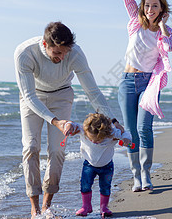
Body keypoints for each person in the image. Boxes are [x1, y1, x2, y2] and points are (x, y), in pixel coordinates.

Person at [14, 21, 116, 218]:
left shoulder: (75, 53)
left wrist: (111, 119)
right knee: (30, 147)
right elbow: (29, 96)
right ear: (45, 45)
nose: (61, 58)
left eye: (65, 53)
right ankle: (34, 208)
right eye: (57, 54)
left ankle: (47, 206)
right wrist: (55, 121)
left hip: (61, 95)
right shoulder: (24, 53)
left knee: (57, 150)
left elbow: (92, 91)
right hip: (32, 97)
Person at [118, 0, 172, 192]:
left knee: (144, 128)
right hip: (127, 82)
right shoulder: (134, 22)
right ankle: (135, 176)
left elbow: (170, 47)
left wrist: (163, 27)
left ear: (162, 9)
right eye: (147, 5)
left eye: (155, 6)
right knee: (131, 131)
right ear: (142, 8)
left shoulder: (166, 32)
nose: (150, 9)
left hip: (148, 84)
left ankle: (146, 172)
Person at [68, 112, 132, 217]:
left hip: (107, 166)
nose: (94, 141)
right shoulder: (83, 130)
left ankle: (104, 207)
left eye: (98, 140)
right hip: (89, 165)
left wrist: (126, 139)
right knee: (85, 185)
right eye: (91, 139)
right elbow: (72, 124)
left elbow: (126, 133)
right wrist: (68, 126)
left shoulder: (112, 133)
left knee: (105, 186)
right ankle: (86, 206)